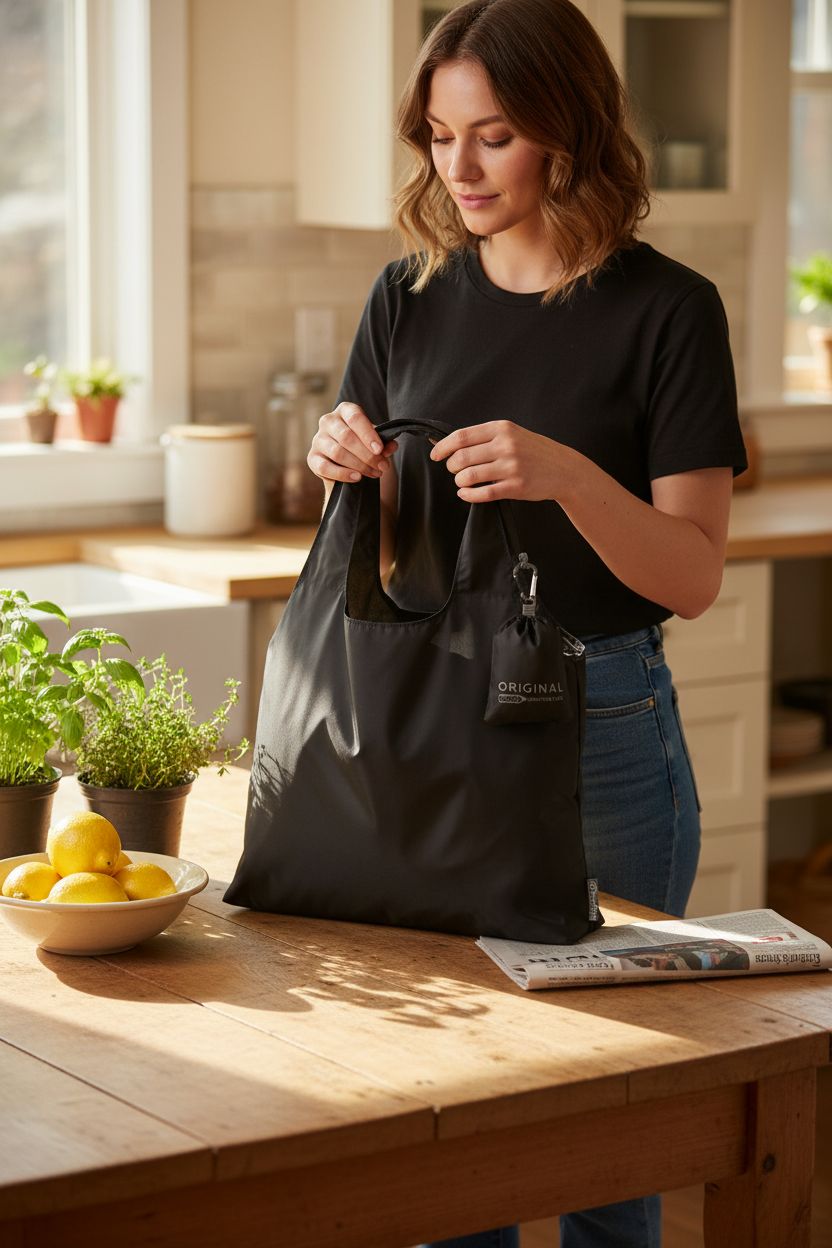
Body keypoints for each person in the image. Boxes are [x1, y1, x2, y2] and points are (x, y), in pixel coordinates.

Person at [306, 1, 746, 1244]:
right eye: (440, 135)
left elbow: (695, 575)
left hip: (599, 717)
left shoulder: (668, 310)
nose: (458, 168)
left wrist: (568, 475)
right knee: (463, 1109)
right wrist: (344, 457)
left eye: (492, 135)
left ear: (565, 132)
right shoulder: (407, 295)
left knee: (610, 1114)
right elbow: (386, 524)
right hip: (436, 716)